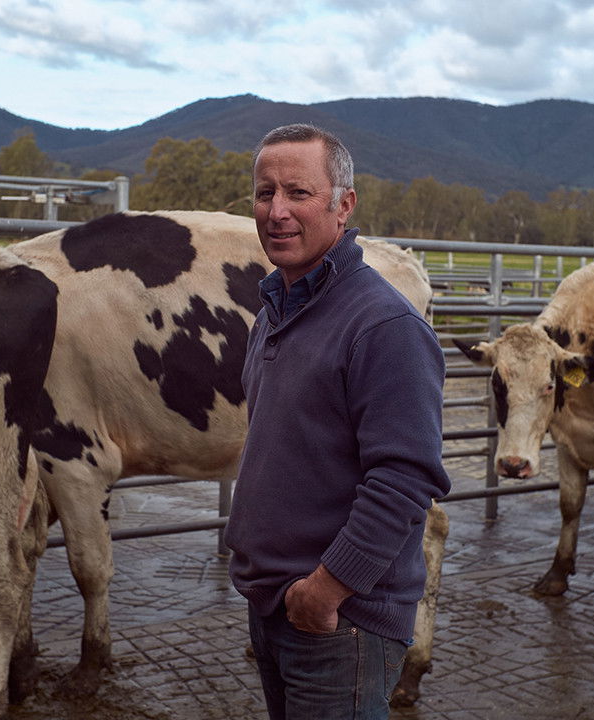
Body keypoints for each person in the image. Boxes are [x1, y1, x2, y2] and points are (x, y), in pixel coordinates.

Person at [224, 123, 450, 719]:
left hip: (340, 620)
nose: (276, 211)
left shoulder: (383, 326)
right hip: (278, 604)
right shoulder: (275, 313)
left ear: (344, 204)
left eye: (298, 193)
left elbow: (405, 480)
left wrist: (326, 591)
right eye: (264, 193)